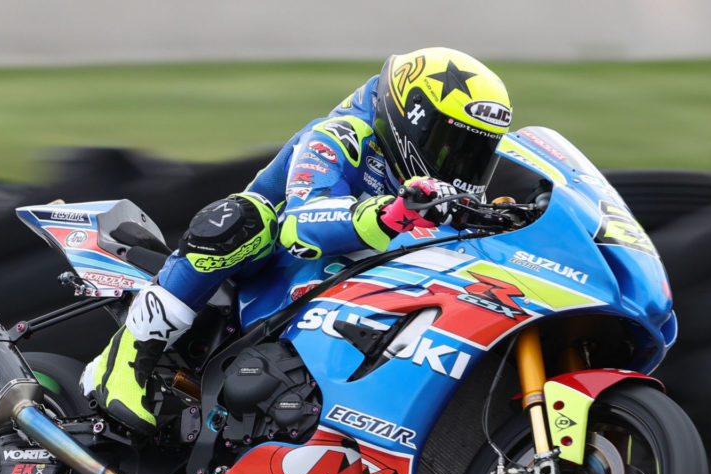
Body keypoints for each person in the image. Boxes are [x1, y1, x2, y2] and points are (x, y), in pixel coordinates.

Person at [81, 46, 513, 434]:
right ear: (411, 119)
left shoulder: (440, 195)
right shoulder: (341, 136)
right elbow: (302, 223)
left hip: (357, 289)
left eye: (476, 157)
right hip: (274, 270)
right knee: (243, 219)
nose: (459, 169)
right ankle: (128, 357)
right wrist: (390, 212)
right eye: (451, 147)